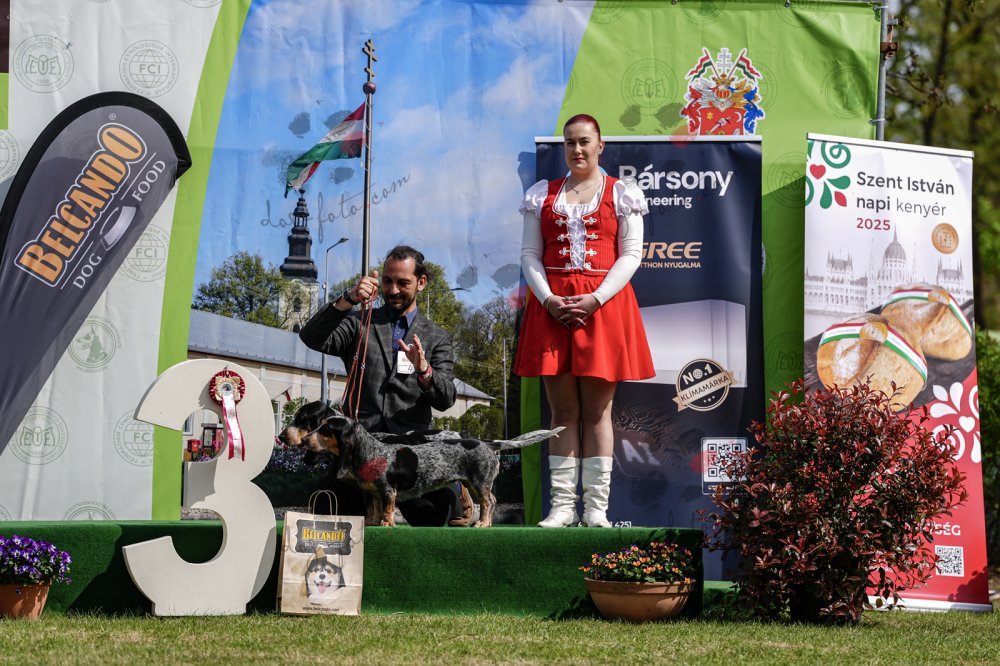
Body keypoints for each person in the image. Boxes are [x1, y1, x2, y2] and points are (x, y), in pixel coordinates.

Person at [515, 114, 654, 528]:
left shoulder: (622, 193)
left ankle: (595, 509)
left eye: (584, 142)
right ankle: (562, 507)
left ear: (600, 145)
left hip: (603, 306)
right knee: (561, 411)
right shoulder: (542, 195)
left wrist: (596, 298)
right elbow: (530, 254)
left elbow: (632, 253)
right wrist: (548, 299)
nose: (577, 149)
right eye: (570, 143)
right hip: (552, 307)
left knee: (597, 412)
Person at [300, 245, 459, 526]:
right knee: (325, 504)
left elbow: (446, 399)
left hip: (411, 457)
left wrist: (425, 371)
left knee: (442, 513)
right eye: (387, 281)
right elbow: (311, 336)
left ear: (421, 283)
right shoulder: (358, 323)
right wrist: (348, 299)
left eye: (403, 283)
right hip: (357, 454)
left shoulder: (437, 337)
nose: (393, 290)